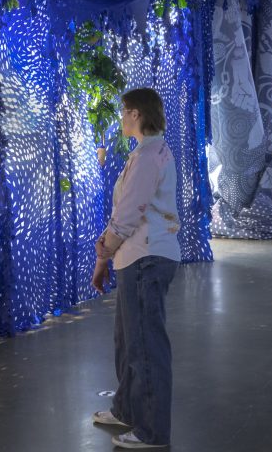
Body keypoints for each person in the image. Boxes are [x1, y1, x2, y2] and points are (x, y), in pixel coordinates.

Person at [91, 88, 181, 449]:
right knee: (128, 341)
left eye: (124, 111)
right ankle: (127, 409)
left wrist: (103, 255)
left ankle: (152, 431)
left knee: (144, 345)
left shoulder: (146, 157)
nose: (121, 117)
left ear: (137, 114)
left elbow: (127, 214)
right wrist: (108, 256)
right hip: (138, 257)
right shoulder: (149, 152)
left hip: (145, 257)